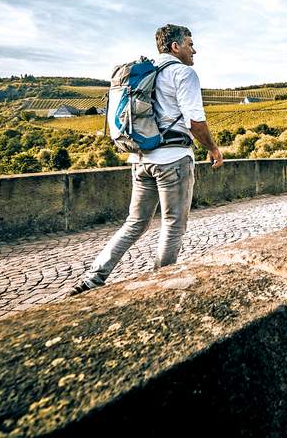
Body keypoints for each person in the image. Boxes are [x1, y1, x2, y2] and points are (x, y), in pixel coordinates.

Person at [68, 24, 224, 295]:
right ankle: (160, 287)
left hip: (139, 159)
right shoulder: (183, 73)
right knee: (174, 225)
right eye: (189, 43)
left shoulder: (145, 72)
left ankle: (93, 277)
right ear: (175, 47)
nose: (194, 49)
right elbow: (195, 122)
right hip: (172, 159)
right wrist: (213, 148)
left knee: (135, 222)